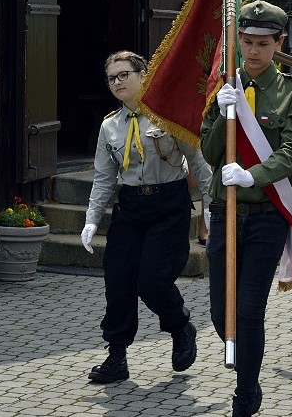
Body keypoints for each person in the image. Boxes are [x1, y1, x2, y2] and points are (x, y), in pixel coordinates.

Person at [200, 0, 292, 416]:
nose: (252, 51)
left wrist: (254, 176)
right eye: (246, 42)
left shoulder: (291, 93)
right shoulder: (223, 87)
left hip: (265, 214)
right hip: (224, 212)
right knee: (218, 310)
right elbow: (210, 151)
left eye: (263, 43)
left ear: (278, 43)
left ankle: (246, 391)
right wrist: (225, 109)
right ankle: (244, 366)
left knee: (248, 308)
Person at [80, 50, 212, 384]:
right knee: (119, 282)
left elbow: (199, 164)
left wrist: (211, 209)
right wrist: (91, 220)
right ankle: (117, 357)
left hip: (168, 205)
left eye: (124, 75)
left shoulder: (169, 116)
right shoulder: (110, 125)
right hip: (130, 208)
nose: (117, 83)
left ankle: (180, 327)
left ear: (143, 75)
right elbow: (104, 178)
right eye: (112, 78)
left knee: (152, 282)